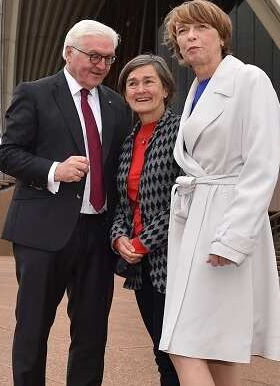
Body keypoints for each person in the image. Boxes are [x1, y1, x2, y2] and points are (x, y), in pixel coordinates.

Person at [0, 20, 131, 386]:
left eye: (108, 58)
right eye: (93, 55)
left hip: (98, 234)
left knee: (91, 332)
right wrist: (55, 170)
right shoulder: (35, 93)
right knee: (33, 328)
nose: (101, 65)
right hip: (42, 233)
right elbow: (8, 155)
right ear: (68, 53)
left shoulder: (116, 106)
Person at [159, 0, 280, 385]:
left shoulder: (249, 80)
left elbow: (261, 165)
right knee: (216, 343)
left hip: (226, 221)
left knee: (184, 342)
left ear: (221, 36)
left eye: (201, 28)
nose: (190, 37)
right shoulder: (195, 90)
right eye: (182, 31)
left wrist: (233, 238)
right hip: (195, 217)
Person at [108, 55, 182, 386]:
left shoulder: (182, 131)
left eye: (148, 81)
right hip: (142, 268)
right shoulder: (128, 140)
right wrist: (118, 238)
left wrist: (143, 242)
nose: (140, 89)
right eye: (132, 84)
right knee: (160, 350)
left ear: (165, 88)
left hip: (175, 261)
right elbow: (124, 201)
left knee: (177, 352)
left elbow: (184, 199)